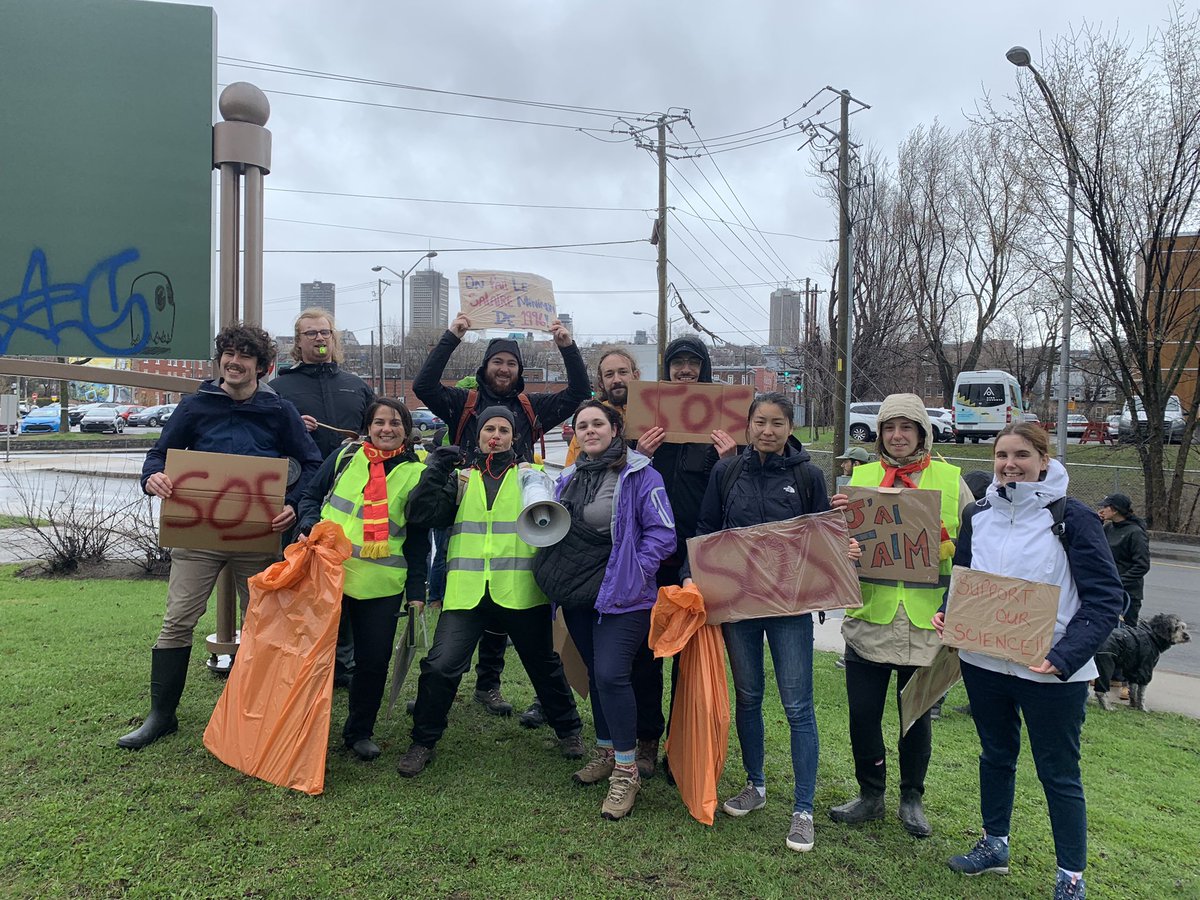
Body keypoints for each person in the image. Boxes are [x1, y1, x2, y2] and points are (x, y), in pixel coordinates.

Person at [933, 423, 1122, 900]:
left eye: (1021, 454)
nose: (1009, 464)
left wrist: (1064, 657)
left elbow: (1106, 599)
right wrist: (948, 612)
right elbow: (965, 575)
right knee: (995, 755)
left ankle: (1071, 876)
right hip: (985, 662)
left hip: (1051, 670)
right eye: (1001, 455)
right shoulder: (978, 514)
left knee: (1058, 772)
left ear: (1043, 459)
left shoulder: (1073, 518)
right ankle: (994, 845)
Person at [119, 323, 322, 750]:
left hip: (259, 533)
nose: (234, 361)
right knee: (177, 621)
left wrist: (294, 502)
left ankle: (255, 713)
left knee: (261, 626)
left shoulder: (279, 410)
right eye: (227, 354)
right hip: (199, 533)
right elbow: (158, 454)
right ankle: (161, 716)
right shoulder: (196, 407)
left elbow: (311, 462)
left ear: (261, 367)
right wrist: (151, 477)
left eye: (244, 356)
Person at [682, 392, 857, 853]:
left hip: (789, 610)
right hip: (738, 606)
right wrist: (693, 577)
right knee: (748, 695)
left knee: (798, 706)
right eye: (760, 421)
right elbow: (705, 530)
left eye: (777, 423)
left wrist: (841, 554)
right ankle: (755, 786)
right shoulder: (728, 471)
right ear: (748, 424)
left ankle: (803, 809)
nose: (767, 431)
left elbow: (823, 538)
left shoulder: (807, 476)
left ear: (789, 427)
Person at [413, 313, 591, 717]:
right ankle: (442, 679)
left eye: (511, 363)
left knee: (507, 594)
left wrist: (566, 344)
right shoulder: (464, 402)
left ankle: (489, 684)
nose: (504, 369)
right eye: (498, 362)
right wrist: (452, 336)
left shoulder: (534, 407)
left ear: (519, 370)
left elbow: (580, 390)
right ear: (485, 367)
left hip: (516, 515)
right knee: (458, 589)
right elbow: (423, 386)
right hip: (465, 508)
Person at [396, 407, 584, 777]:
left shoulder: (531, 476)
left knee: (543, 665)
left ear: (514, 437)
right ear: (478, 436)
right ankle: (423, 741)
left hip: (519, 592)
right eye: (488, 429)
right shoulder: (461, 479)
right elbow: (421, 515)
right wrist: (435, 470)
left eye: (502, 429)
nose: (494, 435)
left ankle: (569, 730)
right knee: (440, 666)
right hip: (467, 594)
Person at [827, 394, 971, 838]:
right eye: (890, 428)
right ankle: (870, 796)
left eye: (907, 427)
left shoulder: (951, 478)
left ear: (923, 431)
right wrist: (838, 532)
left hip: (926, 624)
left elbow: (972, 544)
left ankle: (912, 798)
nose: (898, 436)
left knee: (916, 717)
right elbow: (836, 547)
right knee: (863, 716)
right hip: (870, 619)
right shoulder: (861, 478)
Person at [539, 400, 675, 820]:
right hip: (581, 592)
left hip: (624, 594)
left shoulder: (640, 474)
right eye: (582, 425)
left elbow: (663, 532)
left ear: (615, 429)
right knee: (597, 673)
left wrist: (637, 569)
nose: (590, 430)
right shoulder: (568, 477)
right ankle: (606, 751)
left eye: (598, 423)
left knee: (612, 674)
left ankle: (627, 771)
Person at [296, 399, 432, 762]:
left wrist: (417, 590)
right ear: (368, 427)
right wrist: (307, 525)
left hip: (380, 586)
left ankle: (359, 731)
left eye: (395, 423)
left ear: (407, 429)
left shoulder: (419, 473)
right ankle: (303, 725)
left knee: (372, 663)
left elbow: (419, 538)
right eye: (379, 422)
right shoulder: (345, 457)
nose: (386, 429)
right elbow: (310, 495)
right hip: (327, 575)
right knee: (314, 658)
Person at [635, 335, 738, 778]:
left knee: (689, 654)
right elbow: (625, 487)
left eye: (693, 363)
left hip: (699, 556)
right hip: (651, 554)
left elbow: (738, 498)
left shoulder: (723, 428)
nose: (685, 371)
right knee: (647, 649)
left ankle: (681, 747)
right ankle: (646, 740)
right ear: (667, 368)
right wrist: (640, 456)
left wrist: (730, 459)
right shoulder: (648, 421)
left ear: (704, 369)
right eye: (677, 363)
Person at [522, 346, 640, 730]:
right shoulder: (589, 433)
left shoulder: (654, 420)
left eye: (624, 371)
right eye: (609, 373)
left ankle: (637, 741)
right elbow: (573, 482)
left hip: (625, 570)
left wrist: (639, 566)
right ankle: (578, 720)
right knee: (584, 653)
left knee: (620, 666)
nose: (617, 379)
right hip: (580, 573)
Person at [273, 309, 376, 689]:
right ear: (297, 342)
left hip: (352, 502)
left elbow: (378, 434)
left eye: (326, 332)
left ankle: (343, 663)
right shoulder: (279, 390)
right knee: (301, 583)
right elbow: (266, 443)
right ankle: (300, 661)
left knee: (343, 582)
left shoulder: (356, 385)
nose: (319, 338)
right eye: (310, 333)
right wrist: (291, 427)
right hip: (301, 498)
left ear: (335, 339)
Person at [1097, 493, 1149, 627]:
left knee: (1126, 633)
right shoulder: (1108, 528)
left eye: (1105, 507)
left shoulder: (1135, 532)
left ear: (1115, 510)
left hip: (1128, 594)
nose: (1101, 510)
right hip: (1108, 590)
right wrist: (1097, 523)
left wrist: (1119, 581)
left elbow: (1142, 565)